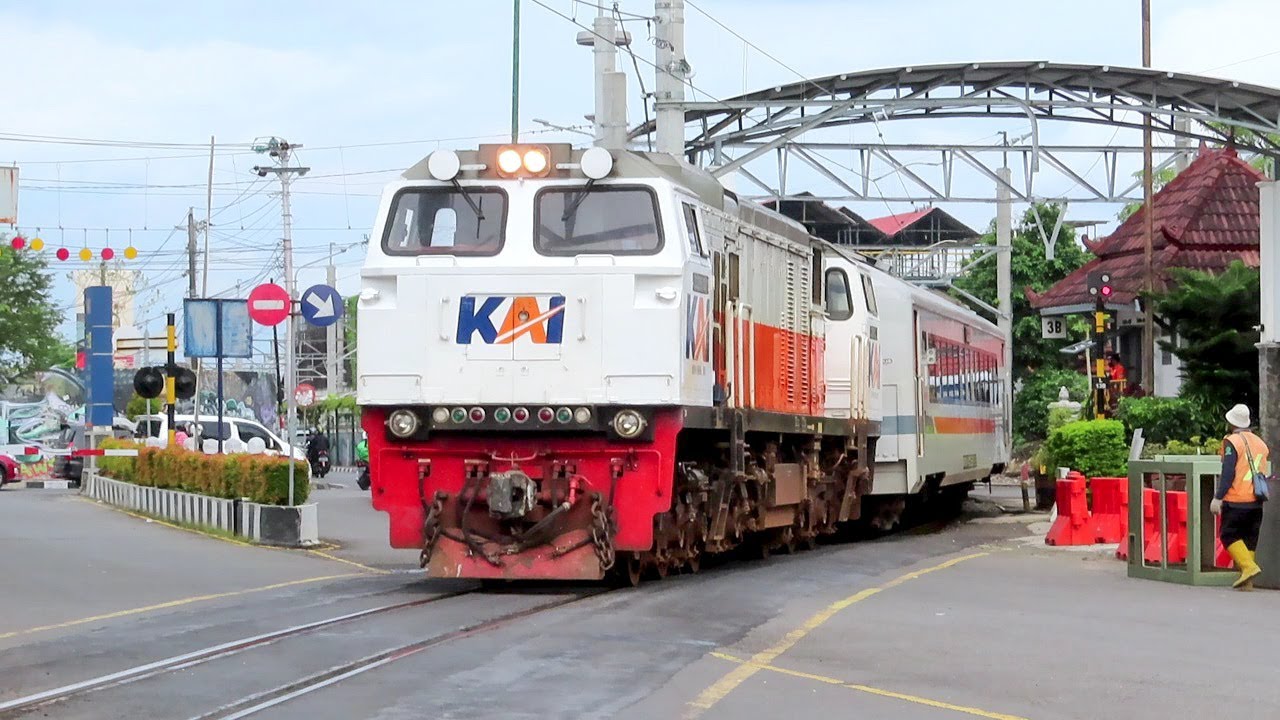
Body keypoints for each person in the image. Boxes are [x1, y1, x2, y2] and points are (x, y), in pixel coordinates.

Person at [1211, 403, 1268, 590]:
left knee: (1228, 535)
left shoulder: (1232, 442)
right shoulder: (1260, 443)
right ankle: (1247, 582)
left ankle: (1248, 567)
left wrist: (1218, 497)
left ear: (1231, 422)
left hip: (1236, 500)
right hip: (1257, 500)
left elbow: (1228, 473)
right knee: (1249, 539)